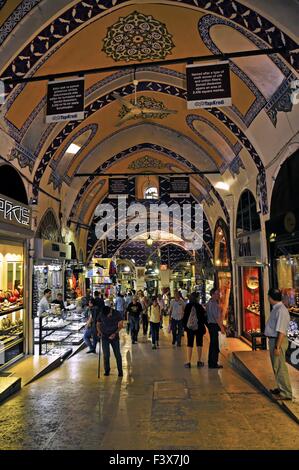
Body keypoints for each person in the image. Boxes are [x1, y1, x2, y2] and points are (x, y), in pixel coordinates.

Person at [265, 288, 292, 400]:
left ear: (270, 298)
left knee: (280, 366)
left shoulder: (281, 310)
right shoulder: (277, 308)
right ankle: (281, 388)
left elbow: (281, 331)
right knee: (276, 366)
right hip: (274, 340)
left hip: (277, 340)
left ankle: (286, 392)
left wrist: (277, 347)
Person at [97, 305, 123, 377]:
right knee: (106, 355)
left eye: (109, 314)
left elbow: (121, 325)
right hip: (104, 336)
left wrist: (115, 333)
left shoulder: (117, 313)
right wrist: (99, 332)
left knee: (117, 354)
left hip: (114, 337)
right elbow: (98, 324)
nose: (108, 316)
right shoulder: (102, 313)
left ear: (111, 310)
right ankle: (107, 370)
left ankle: (120, 371)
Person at [183, 292, 206, 368]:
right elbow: (203, 318)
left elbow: (185, 317)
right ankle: (199, 361)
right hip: (199, 328)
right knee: (199, 343)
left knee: (190, 344)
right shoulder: (200, 307)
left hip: (190, 329)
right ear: (196, 298)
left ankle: (188, 362)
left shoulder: (188, 306)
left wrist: (185, 327)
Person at [206, 288, 224, 369]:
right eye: (216, 294)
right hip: (214, 326)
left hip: (211, 325)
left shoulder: (210, 302)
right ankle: (213, 363)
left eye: (218, 294)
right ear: (212, 294)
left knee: (213, 344)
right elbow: (216, 317)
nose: (218, 295)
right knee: (214, 344)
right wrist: (222, 328)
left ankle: (212, 362)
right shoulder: (213, 304)